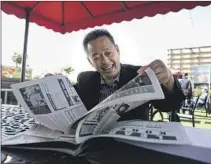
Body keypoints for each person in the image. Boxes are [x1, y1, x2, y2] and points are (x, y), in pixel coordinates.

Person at [46, 29, 186, 163]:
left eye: (108, 53)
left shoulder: (138, 74)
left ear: (117, 50)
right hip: (90, 151)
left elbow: (171, 105)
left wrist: (169, 81)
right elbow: (68, 103)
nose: (105, 61)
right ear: (90, 61)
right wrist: (51, 87)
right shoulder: (85, 80)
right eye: (96, 57)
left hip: (131, 151)